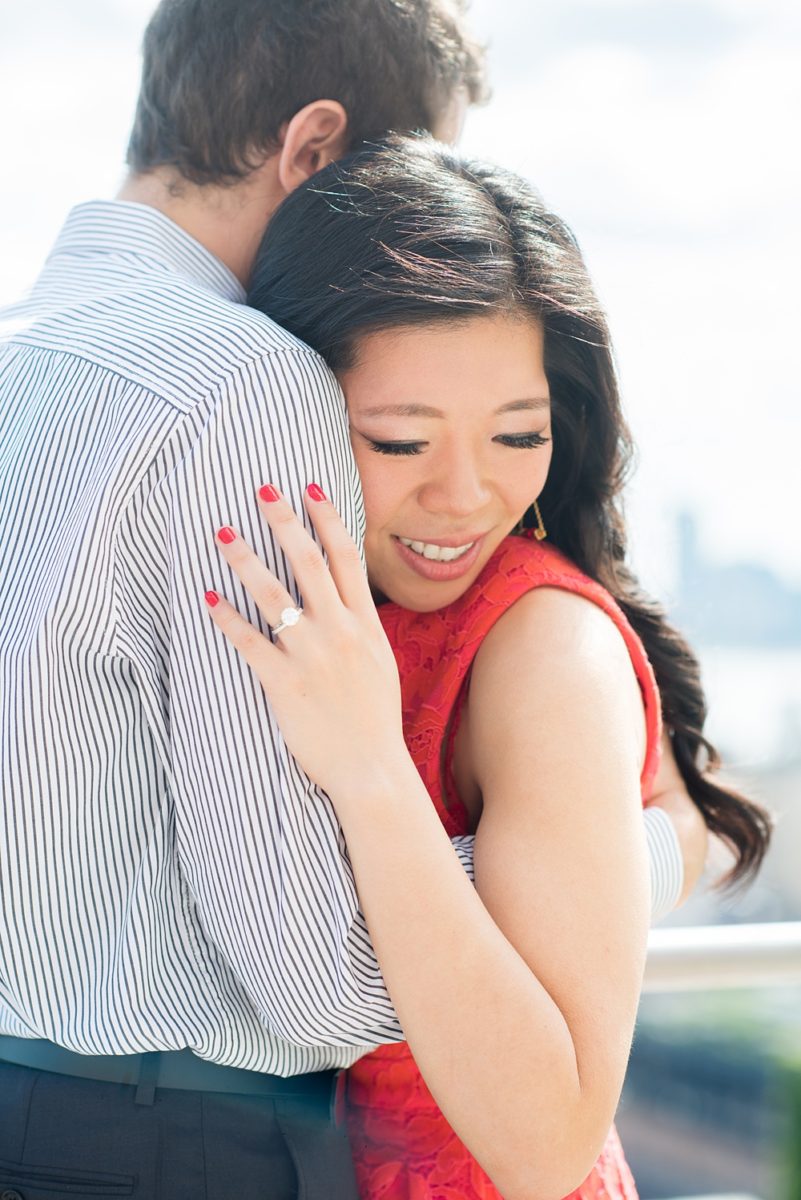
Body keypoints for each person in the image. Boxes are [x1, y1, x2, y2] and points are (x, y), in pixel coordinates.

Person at [0, 2, 698, 1198]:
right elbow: (316, 980)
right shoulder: (250, 385)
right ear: (316, 152)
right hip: (176, 1141)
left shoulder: (27, 349)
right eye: (405, 176)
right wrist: (627, 852)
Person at [203, 135, 773, 1199]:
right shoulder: (323, 600)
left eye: (517, 437)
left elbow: (549, 1138)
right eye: (402, 442)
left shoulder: (543, 648)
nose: (465, 497)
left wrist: (372, 770)